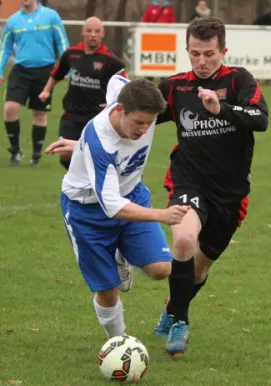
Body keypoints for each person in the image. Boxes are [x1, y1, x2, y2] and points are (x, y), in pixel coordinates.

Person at [152, 17, 269, 355]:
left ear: (223, 51)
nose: (201, 61)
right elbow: (140, 117)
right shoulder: (175, 86)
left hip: (231, 194)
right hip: (188, 179)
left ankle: (172, 306)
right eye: (194, 54)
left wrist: (223, 109)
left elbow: (260, 119)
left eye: (208, 54)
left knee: (200, 269)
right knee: (185, 238)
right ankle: (180, 323)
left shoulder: (239, 80)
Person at [45, 75, 190, 340]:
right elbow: (111, 205)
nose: (144, 130)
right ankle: (119, 341)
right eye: (138, 123)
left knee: (161, 269)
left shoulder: (128, 97)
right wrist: (162, 215)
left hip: (132, 194)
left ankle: (121, 253)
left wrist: (80, 147)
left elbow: (115, 78)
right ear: (120, 110)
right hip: (87, 212)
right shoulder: (101, 142)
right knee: (108, 291)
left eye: (150, 123)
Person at [39, 16, 127, 170]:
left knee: (94, 154)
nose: (93, 34)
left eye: (97, 31)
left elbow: (125, 86)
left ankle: (86, 181)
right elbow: (57, 74)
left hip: (97, 116)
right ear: (83, 32)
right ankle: (82, 177)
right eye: (89, 31)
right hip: (72, 114)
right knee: (65, 153)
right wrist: (46, 91)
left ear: (103, 33)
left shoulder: (112, 61)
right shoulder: (71, 54)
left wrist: (115, 102)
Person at [0, 0, 69, 167]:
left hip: (45, 71)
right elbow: (5, 48)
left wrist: (66, 67)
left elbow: (62, 41)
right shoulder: (13, 21)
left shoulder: (51, 16)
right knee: (10, 108)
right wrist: (0, 70)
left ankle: (36, 156)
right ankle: (15, 151)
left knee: (39, 114)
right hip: (21, 70)